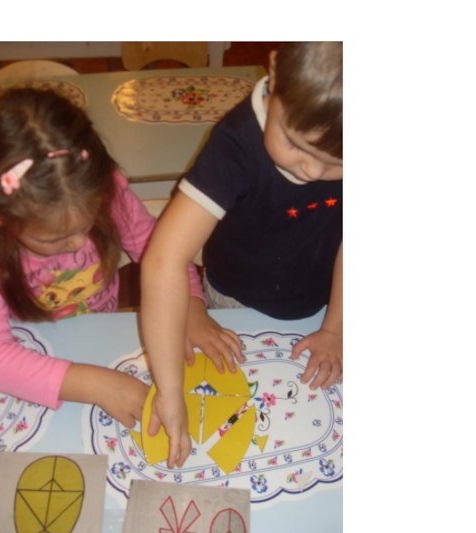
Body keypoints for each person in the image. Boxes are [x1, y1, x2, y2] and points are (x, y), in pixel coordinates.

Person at [140, 42, 343, 468]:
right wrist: (171, 393)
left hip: (323, 302)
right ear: (275, 72)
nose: (311, 171)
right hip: (232, 302)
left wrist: (336, 329)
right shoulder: (235, 142)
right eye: (296, 144)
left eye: (335, 165)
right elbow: (163, 261)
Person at [0, 88, 212, 428]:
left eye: (87, 223)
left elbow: (165, 253)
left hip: (102, 341)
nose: (80, 242)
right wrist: (99, 386)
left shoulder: (105, 193)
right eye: (54, 238)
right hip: (31, 361)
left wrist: (192, 305)